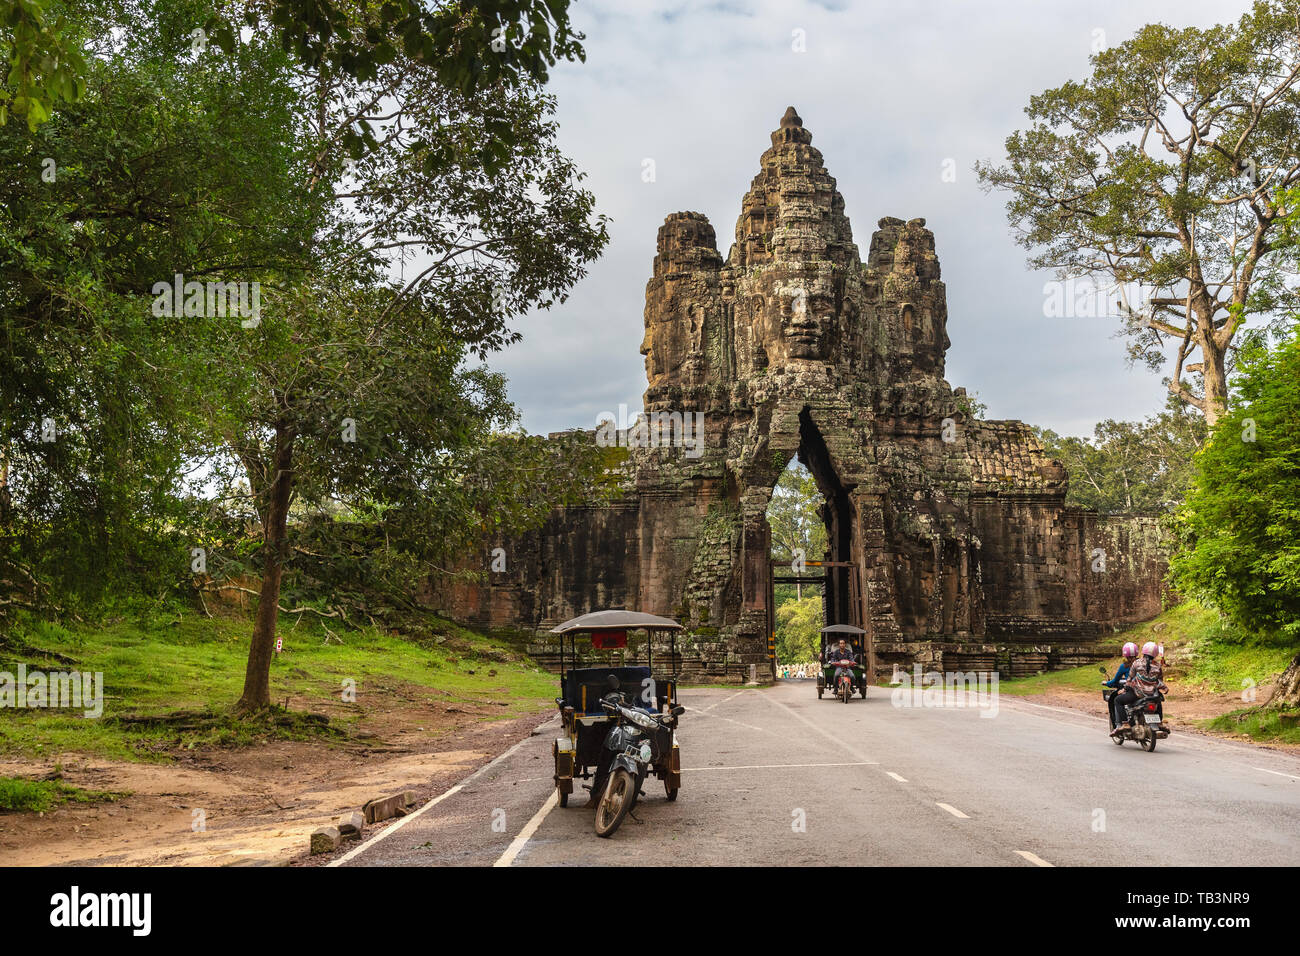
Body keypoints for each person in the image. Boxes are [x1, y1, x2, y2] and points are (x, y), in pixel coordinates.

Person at [1111, 641, 1169, 737]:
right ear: (1155, 654)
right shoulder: (1158, 666)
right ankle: (1159, 722)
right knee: (1157, 701)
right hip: (1152, 695)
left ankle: (1125, 724)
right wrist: (1165, 688)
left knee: (1117, 700)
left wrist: (1124, 689)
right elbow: (1159, 681)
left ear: (1143, 652)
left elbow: (1129, 679)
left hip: (1138, 694)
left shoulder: (1136, 663)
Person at [1103, 642, 1138, 729]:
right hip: (1146, 691)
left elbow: (1116, 681)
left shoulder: (1124, 666)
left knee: (1117, 700)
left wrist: (1107, 683)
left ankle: (1122, 724)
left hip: (1132, 691)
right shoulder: (1142, 664)